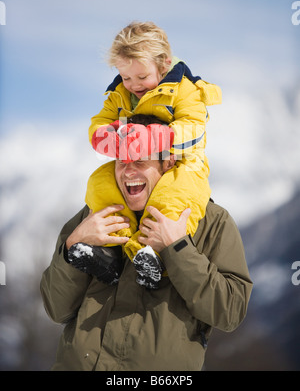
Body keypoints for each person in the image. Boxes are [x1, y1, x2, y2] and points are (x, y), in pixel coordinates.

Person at [40, 115, 253, 371]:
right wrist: (73, 246)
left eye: (140, 160)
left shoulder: (211, 222)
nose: (128, 171)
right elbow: (56, 309)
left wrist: (178, 249)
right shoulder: (94, 216)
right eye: (122, 160)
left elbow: (229, 311)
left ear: (168, 161)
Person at [84, 21, 222, 288]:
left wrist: (161, 138)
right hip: (133, 159)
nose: (134, 85)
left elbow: (195, 129)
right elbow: (100, 121)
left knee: (174, 196)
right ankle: (111, 249)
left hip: (183, 161)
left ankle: (153, 253)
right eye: (126, 77)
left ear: (163, 64)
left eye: (142, 77)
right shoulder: (119, 94)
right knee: (100, 183)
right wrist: (105, 136)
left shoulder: (185, 89)